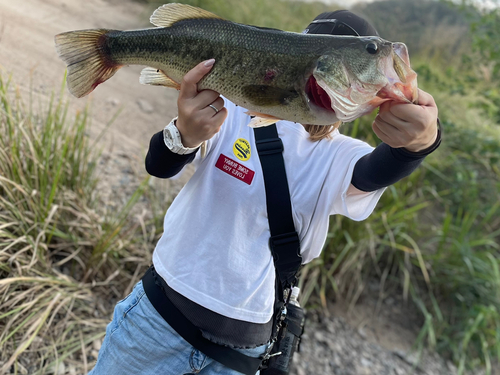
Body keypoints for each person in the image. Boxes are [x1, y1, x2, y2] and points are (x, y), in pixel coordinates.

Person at [88, 10, 440, 375]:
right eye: (369, 52)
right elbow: (159, 165)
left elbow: (374, 172)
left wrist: (420, 144)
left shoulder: (340, 156)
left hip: (240, 356)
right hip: (156, 324)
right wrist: (185, 132)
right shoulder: (232, 114)